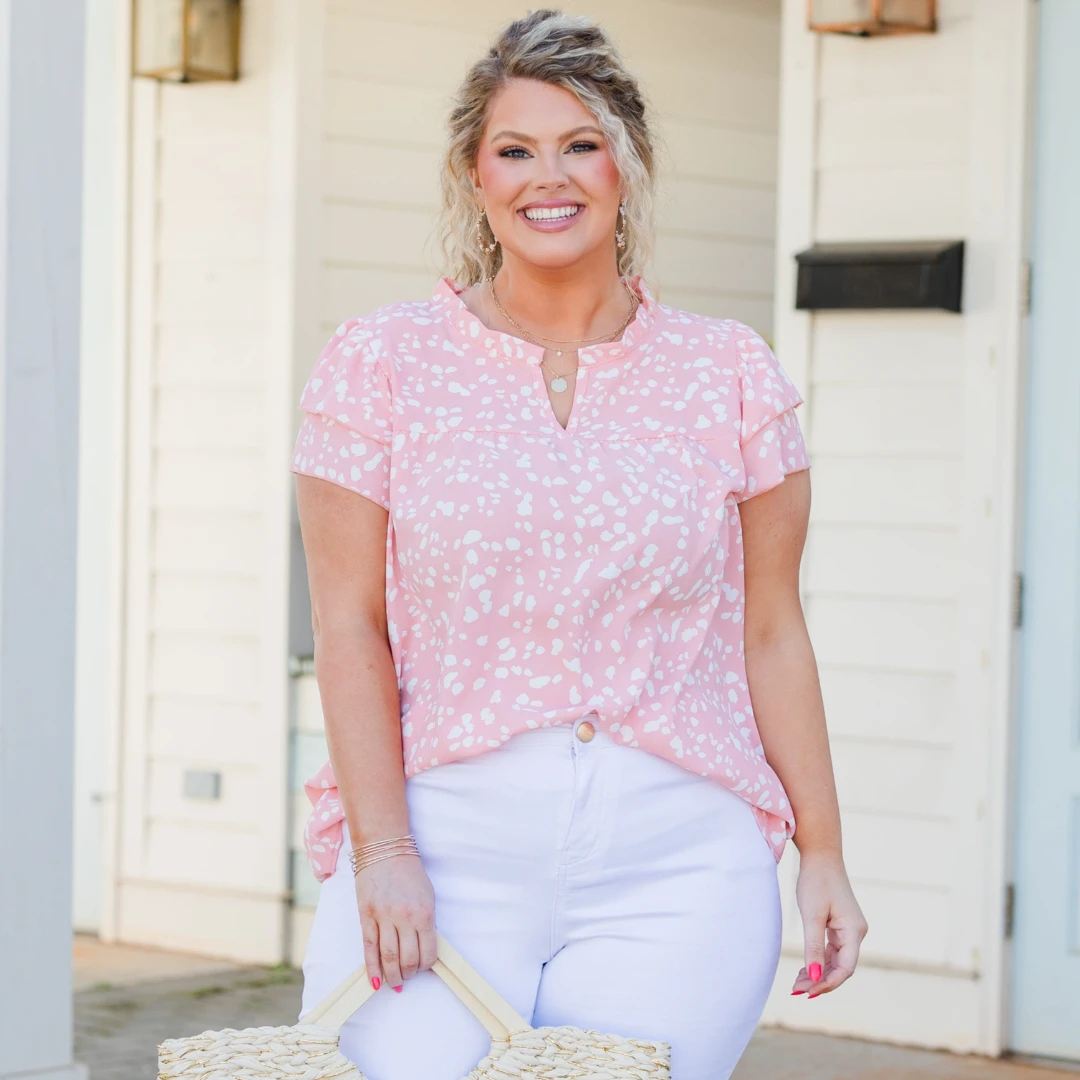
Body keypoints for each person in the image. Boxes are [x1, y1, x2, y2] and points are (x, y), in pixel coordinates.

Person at [291, 9, 867, 1079]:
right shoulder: (380, 362)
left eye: (581, 145)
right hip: (443, 843)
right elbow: (350, 626)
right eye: (514, 150)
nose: (547, 178)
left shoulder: (729, 373)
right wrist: (383, 852)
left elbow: (773, 631)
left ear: (627, 167)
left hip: (678, 870)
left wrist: (822, 853)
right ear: (474, 177)